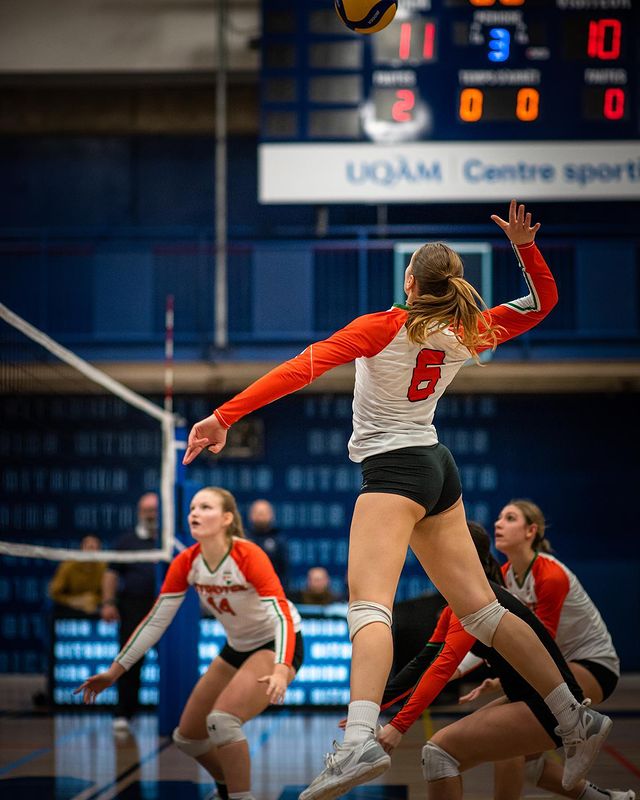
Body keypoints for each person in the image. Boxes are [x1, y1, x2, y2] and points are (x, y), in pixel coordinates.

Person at [181, 201, 611, 799]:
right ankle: (574, 717)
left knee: (369, 608)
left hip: (394, 470)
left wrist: (223, 416)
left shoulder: (382, 325)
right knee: (483, 612)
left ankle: (359, 738)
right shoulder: (468, 327)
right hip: (439, 466)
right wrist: (525, 248)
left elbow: (295, 371)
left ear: (409, 281)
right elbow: (543, 302)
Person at [75, 486, 304, 800]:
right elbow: (156, 620)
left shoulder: (247, 554)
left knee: (223, 721)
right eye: (193, 507)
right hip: (237, 646)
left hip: (276, 642)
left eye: (205, 507)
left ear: (226, 518)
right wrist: (115, 672)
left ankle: (241, 796)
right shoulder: (186, 561)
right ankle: (226, 789)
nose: (194, 513)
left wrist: (281, 668)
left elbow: (282, 616)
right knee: (188, 737)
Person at [374, 524, 633, 800]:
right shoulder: (460, 604)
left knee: (439, 754)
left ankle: (579, 722)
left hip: (547, 703)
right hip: (529, 697)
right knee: (522, 764)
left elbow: (440, 669)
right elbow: (422, 663)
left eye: (429, 551)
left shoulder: (476, 603)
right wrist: (367, 709)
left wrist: (398, 726)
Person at [490, 499, 621, 799]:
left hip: (592, 665)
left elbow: (540, 643)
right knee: (529, 762)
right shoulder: (507, 575)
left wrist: (501, 678)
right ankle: (608, 799)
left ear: (530, 531)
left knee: (505, 735)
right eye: (498, 517)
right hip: (556, 666)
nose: (498, 523)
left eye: (509, 518)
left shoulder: (550, 575)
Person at [101, 491, 160, 732]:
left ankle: (179, 714)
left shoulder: (172, 540)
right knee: (129, 660)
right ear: (139, 513)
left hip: (166, 608)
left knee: (173, 662)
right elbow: (111, 573)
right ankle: (124, 713)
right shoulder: (125, 542)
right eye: (146, 510)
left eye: (154, 510)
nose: (150, 514)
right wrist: (108, 602)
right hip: (133, 608)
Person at [49, 535, 106, 615]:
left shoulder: (104, 567)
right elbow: (54, 593)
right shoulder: (68, 565)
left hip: (95, 606)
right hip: (68, 605)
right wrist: (72, 601)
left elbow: (109, 593)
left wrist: (93, 600)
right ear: (81, 548)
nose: (91, 552)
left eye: (95, 548)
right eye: (89, 548)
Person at [246, 499, 289, 589]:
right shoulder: (243, 538)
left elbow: (284, 569)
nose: (260, 516)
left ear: (271, 515)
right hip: (247, 590)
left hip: (272, 590)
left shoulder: (279, 539)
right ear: (251, 515)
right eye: (258, 513)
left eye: (264, 513)